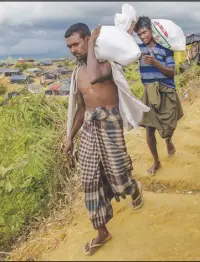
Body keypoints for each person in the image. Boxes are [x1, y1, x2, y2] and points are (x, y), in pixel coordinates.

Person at [63, 22, 148, 256]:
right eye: (69, 46)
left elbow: (94, 76)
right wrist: (70, 137)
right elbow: (81, 109)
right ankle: (102, 232)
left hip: (110, 125)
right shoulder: (76, 75)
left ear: (88, 40)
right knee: (89, 181)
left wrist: (92, 46)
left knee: (119, 177)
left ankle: (134, 188)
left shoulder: (106, 65)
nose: (73, 50)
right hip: (90, 128)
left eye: (77, 44)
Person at [128, 16, 184, 175]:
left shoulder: (165, 48)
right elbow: (126, 42)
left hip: (166, 91)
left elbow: (172, 73)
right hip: (149, 93)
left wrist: (155, 63)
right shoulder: (139, 50)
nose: (142, 36)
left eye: (144, 32)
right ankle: (156, 162)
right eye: (139, 34)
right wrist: (131, 25)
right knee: (149, 129)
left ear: (152, 31)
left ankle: (168, 140)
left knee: (168, 125)